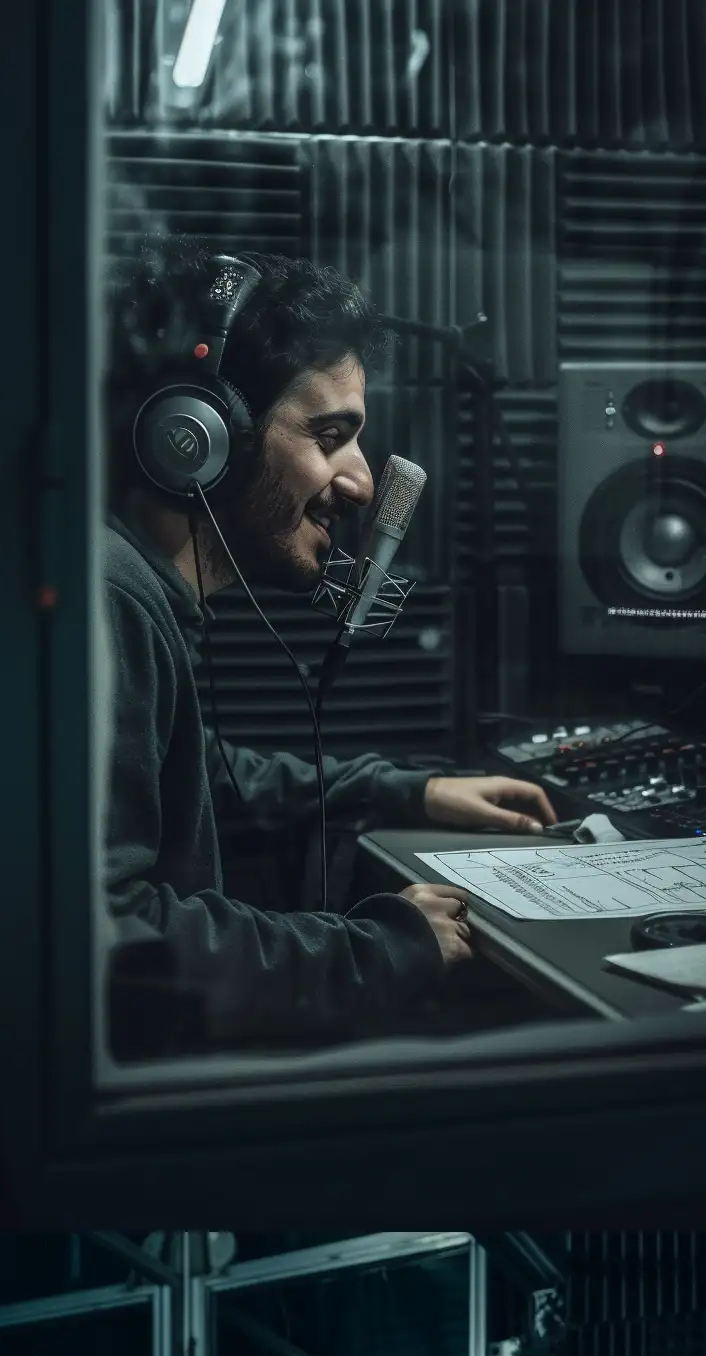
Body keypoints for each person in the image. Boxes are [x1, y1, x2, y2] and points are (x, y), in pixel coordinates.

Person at [106, 239, 559, 1057]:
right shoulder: (111, 604)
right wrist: (378, 949)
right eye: (330, 434)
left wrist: (406, 792)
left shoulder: (126, 591)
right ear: (202, 436)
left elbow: (206, 774)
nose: (358, 482)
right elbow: (111, 932)